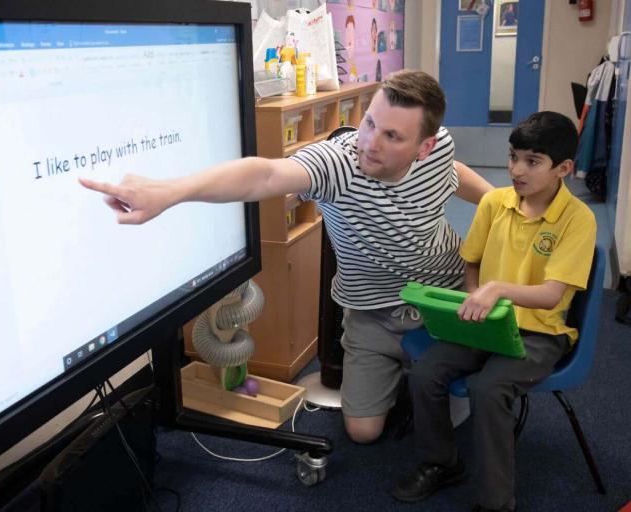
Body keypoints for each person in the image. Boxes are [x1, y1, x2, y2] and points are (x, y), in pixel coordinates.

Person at [79, 69, 493, 444]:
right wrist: (173, 192)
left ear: (425, 146)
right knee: (363, 432)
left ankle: (426, 374)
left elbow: (453, 172)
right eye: (370, 123)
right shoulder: (339, 164)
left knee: (451, 405)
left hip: (446, 293)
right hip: (373, 310)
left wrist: (498, 202)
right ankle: (400, 373)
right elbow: (267, 174)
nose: (370, 143)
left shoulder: (438, 152)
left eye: (392, 137)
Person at [391, 111, 597, 511]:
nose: (516, 170)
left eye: (532, 161)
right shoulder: (494, 203)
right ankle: (441, 463)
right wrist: (474, 299)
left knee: (489, 388)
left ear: (564, 169)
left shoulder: (578, 220)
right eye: (513, 156)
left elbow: (552, 295)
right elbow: (471, 262)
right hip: (486, 326)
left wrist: (496, 290)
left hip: (539, 335)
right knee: (425, 373)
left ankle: (496, 502)